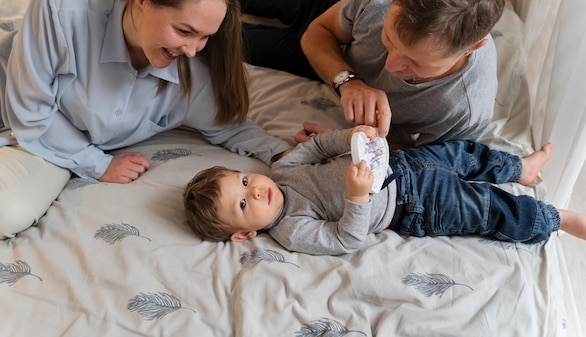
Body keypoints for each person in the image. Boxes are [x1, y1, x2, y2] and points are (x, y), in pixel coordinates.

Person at [0, 0, 291, 239]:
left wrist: (282, 152)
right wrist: (99, 163)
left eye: (206, 36)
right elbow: (30, 109)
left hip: (56, 141)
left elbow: (228, 127)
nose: (192, 49)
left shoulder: (193, 70)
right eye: (185, 31)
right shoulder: (64, 0)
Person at [232, 0, 506, 148]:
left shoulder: (466, 109)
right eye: (388, 38)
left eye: (415, 63)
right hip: (337, 16)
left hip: (324, 66)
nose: (390, 66)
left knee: (229, 40)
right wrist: (349, 82)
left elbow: (422, 159)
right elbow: (318, 31)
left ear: (472, 48)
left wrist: (343, 144)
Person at [184, 125, 586, 256]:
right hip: (415, 205)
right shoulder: (290, 230)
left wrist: (351, 135)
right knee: (485, 208)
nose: (254, 191)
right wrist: (357, 197)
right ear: (244, 234)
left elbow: (320, 146)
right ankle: (558, 219)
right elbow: (346, 239)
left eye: (243, 181)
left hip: (404, 163)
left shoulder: (282, 169)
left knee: (461, 153)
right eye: (241, 203)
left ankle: (520, 167)